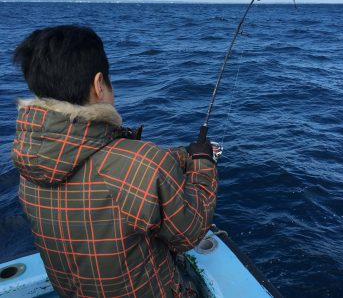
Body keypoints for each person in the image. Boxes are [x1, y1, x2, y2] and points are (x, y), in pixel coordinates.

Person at [11, 25, 219, 297]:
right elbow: (189, 233)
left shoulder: (30, 162)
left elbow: (107, 165)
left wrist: (180, 156)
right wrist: (203, 164)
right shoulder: (141, 165)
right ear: (99, 85)